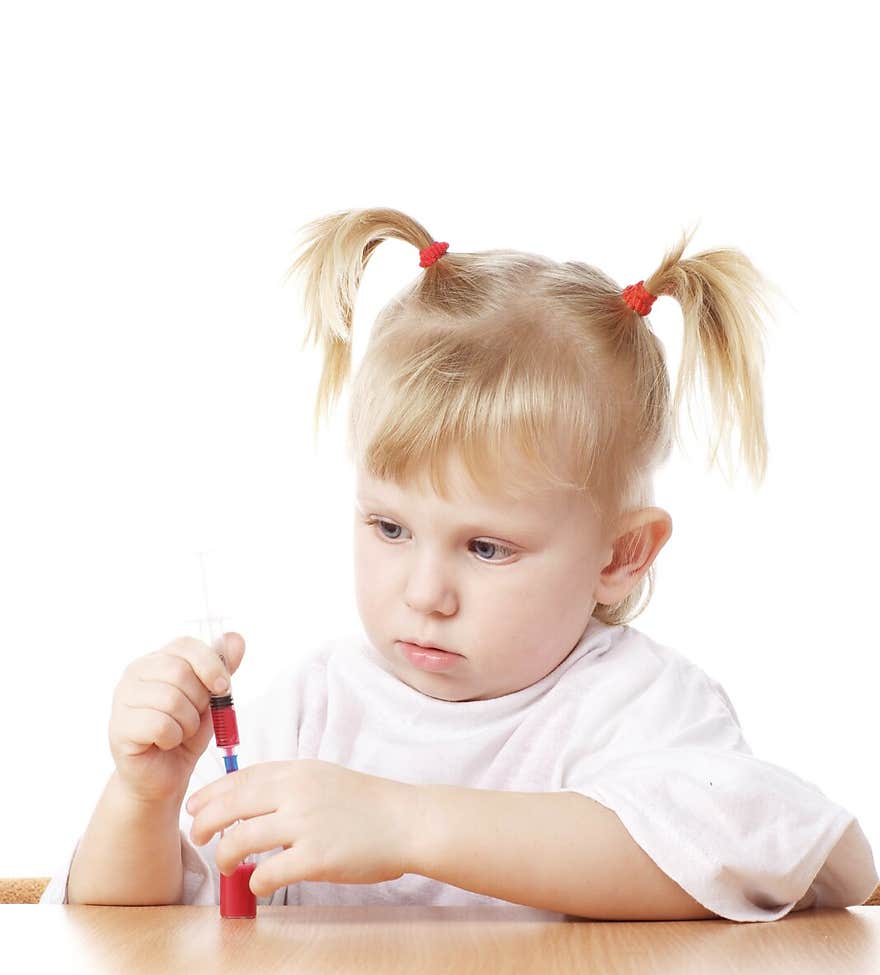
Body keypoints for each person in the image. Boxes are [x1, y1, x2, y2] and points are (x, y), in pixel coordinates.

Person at [41, 207, 878, 921]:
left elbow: (751, 854)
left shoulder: (635, 706)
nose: (424, 594)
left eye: (486, 548)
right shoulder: (313, 709)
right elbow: (132, 946)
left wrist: (405, 824)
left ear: (620, 556)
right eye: (390, 527)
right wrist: (141, 802)